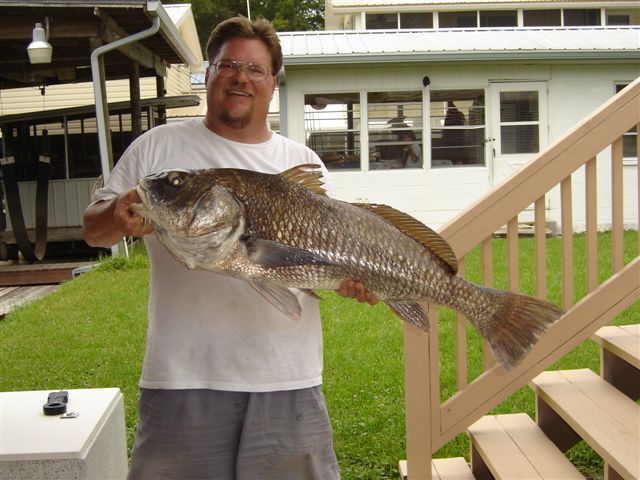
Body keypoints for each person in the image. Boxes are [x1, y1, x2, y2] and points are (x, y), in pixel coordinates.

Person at [82, 16, 375, 480]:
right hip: (182, 378)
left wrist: (353, 283)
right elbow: (93, 230)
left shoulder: (303, 164)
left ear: (272, 85)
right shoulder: (157, 150)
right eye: (228, 65)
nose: (241, 77)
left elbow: (326, 266)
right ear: (209, 75)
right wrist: (115, 214)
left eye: (255, 69)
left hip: (287, 376)